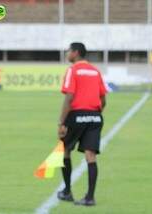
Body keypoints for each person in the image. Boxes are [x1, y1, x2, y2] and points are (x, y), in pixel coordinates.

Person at [57, 42, 107, 206]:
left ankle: (67, 191)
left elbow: (69, 97)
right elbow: (103, 99)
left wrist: (62, 122)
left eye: (69, 50)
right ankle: (90, 197)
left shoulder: (73, 70)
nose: (67, 53)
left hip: (77, 115)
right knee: (90, 156)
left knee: (64, 151)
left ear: (76, 53)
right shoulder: (95, 71)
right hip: (94, 116)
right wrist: (94, 115)